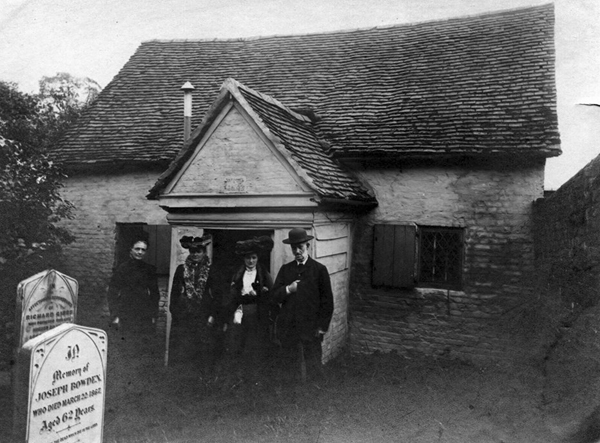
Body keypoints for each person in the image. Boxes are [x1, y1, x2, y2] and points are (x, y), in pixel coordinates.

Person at [271, 228, 334, 381]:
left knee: (313, 364)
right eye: (294, 248)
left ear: (308, 246)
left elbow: (327, 301)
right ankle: (293, 395)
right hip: (290, 327)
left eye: (301, 247)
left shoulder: (319, 270)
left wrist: (322, 327)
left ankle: (314, 397)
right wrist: (288, 289)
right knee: (290, 364)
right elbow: (274, 296)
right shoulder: (286, 270)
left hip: (311, 327)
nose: (297, 251)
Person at [169, 234, 221, 371]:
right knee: (185, 351)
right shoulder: (181, 269)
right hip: (185, 315)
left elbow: (218, 295)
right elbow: (174, 294)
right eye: (193, 252)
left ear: (204, 252)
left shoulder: (212, 270)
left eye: (199, 251)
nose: (196, 254)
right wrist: (176, 312)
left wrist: (213, 315)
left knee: (203, 352)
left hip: (204, 315)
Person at [224, 236, 274, 371]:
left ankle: (254, 373)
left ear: (257, 258)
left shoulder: (263, 274)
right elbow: (231, 294)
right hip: (240, 312)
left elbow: (271, 295)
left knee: (254, 345)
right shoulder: (238, 274)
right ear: (243, 259)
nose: (251, 261)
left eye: (253, 258)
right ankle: (238, 373)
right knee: (237, 343)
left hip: (256, 314)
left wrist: (260, 294)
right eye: (248, 258)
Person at [107, 238, 160, 336]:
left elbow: (155, 294)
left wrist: (153, 315)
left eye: (143, 250)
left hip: (144, 313)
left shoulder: (150, 270)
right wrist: (115, 315)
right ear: (131, 249)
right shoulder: (122, 268)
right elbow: (112, 292)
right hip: (125, 312)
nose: (140, 252)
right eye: (137, 249)